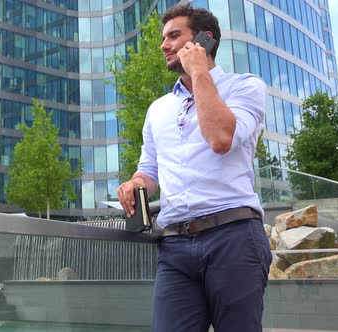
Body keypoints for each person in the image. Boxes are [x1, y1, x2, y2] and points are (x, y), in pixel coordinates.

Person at [117, 4, 272, 332]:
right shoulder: (157, 109)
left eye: (174, 36)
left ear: (205, 40)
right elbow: (149, 170)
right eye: (163, 38)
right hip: (174, 248)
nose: (164, 45)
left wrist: (199, 72)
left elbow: (220, 138)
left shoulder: (246, 87)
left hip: (233, 238)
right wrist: (136, 183)